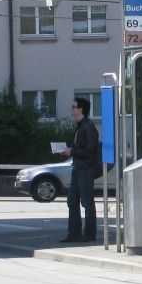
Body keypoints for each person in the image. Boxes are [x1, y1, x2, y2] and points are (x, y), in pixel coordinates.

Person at [59, 97, 100, 243]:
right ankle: (74, 234)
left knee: (87, 202)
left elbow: (90, 150)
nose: (72, 109)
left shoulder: (88, 126)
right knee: (72, 201)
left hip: (85, 168)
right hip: (78, 167)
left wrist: (72, 152)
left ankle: (89, 234)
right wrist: (69, 151)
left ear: (80, 109)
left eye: (73, 106)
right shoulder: (80, 126)